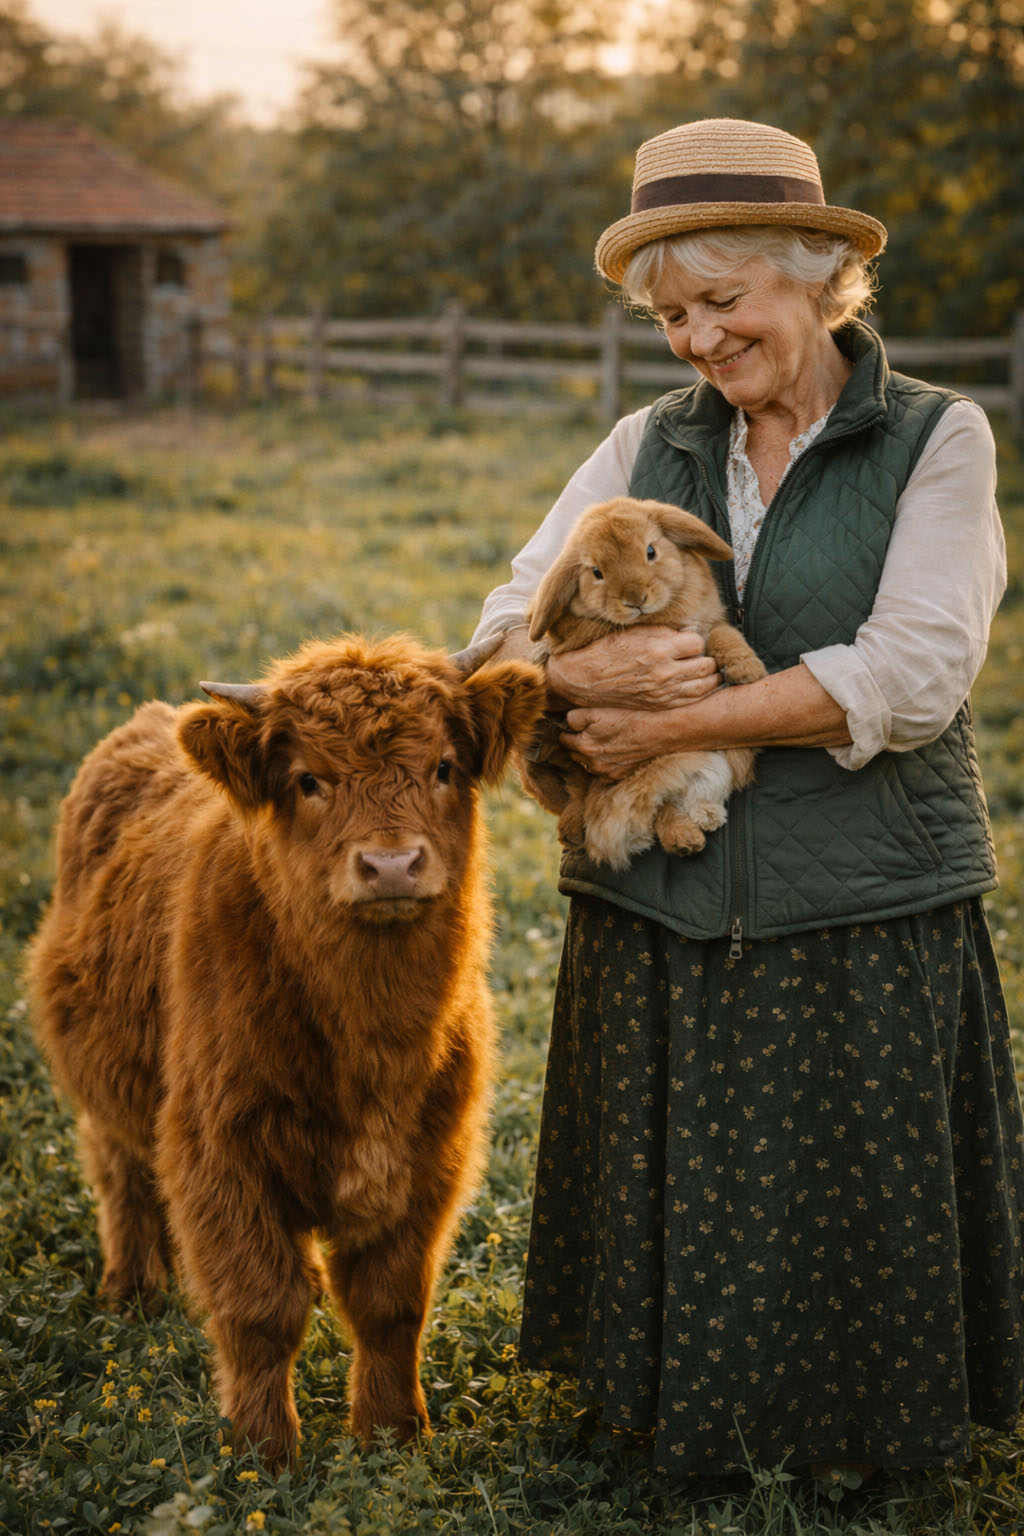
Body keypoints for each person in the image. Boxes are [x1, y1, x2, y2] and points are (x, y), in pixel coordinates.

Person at [472, 118, 1024, 1478]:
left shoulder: (937, 440)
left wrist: (679, 715)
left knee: (842, 1188)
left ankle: (866, 1443)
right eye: (672, 315)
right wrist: (582, 666)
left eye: (724, 302)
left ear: (820, 277)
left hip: (867, 899)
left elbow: (915, 670)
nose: (699, 342)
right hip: (662, 902)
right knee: (703, 1181)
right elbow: (496, 629)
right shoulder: (640, 444)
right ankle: (672, 1418)